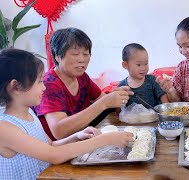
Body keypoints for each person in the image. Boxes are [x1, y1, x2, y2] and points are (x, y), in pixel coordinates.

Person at [0, 49, 133, 180]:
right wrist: (106, 139)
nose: (44, 87)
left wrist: (77, 136)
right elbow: (54, 155)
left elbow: (51, 145)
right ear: (16, 86)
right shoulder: (4, 128)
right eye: (39, 81)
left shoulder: (28, 112)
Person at [33, 28, 133, 140]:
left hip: (81, 140)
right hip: (59, 150)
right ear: (57, 56)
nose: (82, 59)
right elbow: (59, 132)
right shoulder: (49, 84)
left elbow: (102, 99)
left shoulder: (82, 77)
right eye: (75, 54)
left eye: (86, 54)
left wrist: (115, 97)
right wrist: (104, 103)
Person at [118, 43, 169, 108]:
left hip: (154, 117)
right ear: (125, 65)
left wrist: (167, 113)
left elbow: (164, 100)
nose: (143, 68)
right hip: (132, 118)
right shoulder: (122, 86)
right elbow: (119, 108)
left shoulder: (152, 80)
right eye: (138, 65)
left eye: (146, 64)